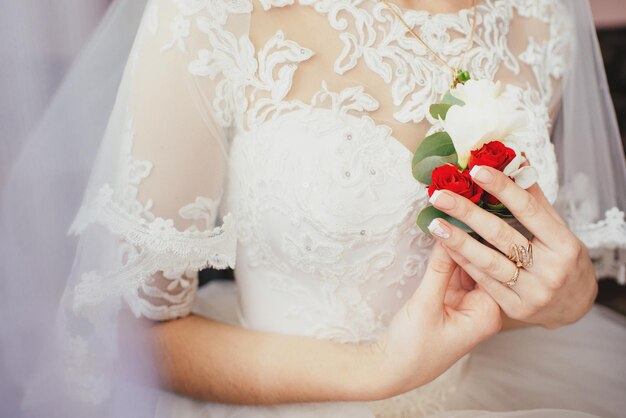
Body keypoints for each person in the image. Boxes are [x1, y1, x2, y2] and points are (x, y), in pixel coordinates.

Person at [2, 1, 626, 417]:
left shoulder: (539, 16)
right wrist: (377, 369)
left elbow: (496, 282)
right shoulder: (215, 14)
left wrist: (562, 305)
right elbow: (129, 331)